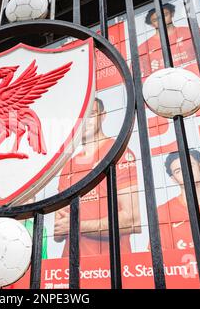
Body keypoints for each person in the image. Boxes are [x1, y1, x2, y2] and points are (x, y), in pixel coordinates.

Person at [53, 98, 141, 256]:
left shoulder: (119, 154)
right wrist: (63, 225)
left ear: (103, 115)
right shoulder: (68, 166)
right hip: (70, 268)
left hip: (109, 267)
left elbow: (132, 220)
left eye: (91, 114)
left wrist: (77, 225)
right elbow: (58, 233)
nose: (85, 121)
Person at [138, 2, 200, 79]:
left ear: (172, 14)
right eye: (155, 20)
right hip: (163, 88)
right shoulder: (142, 49)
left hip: (194, 82)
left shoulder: (193, 32)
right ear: (151, 24)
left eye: (165, 15)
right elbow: (135, 79)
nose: (161, 20)